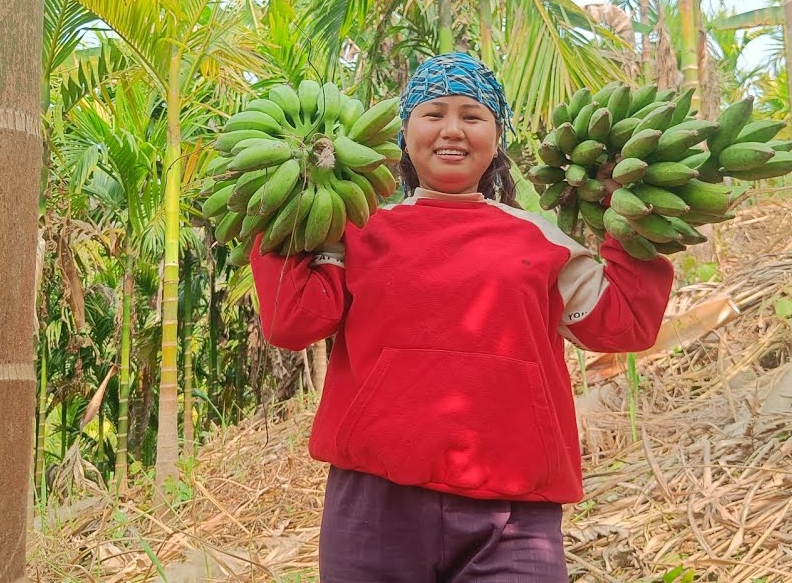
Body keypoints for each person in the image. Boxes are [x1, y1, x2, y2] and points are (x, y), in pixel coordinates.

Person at [250, 52, 674, 582]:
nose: (452, 130)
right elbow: (294, 325)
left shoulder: (541, 240)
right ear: (404, 134)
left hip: (515, 511)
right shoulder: (356, 230)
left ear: (497, 139)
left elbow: (624, 326)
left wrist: (633, 218)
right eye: (434, 114)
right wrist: (280, 214)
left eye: (473, 117)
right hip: (375, 501)